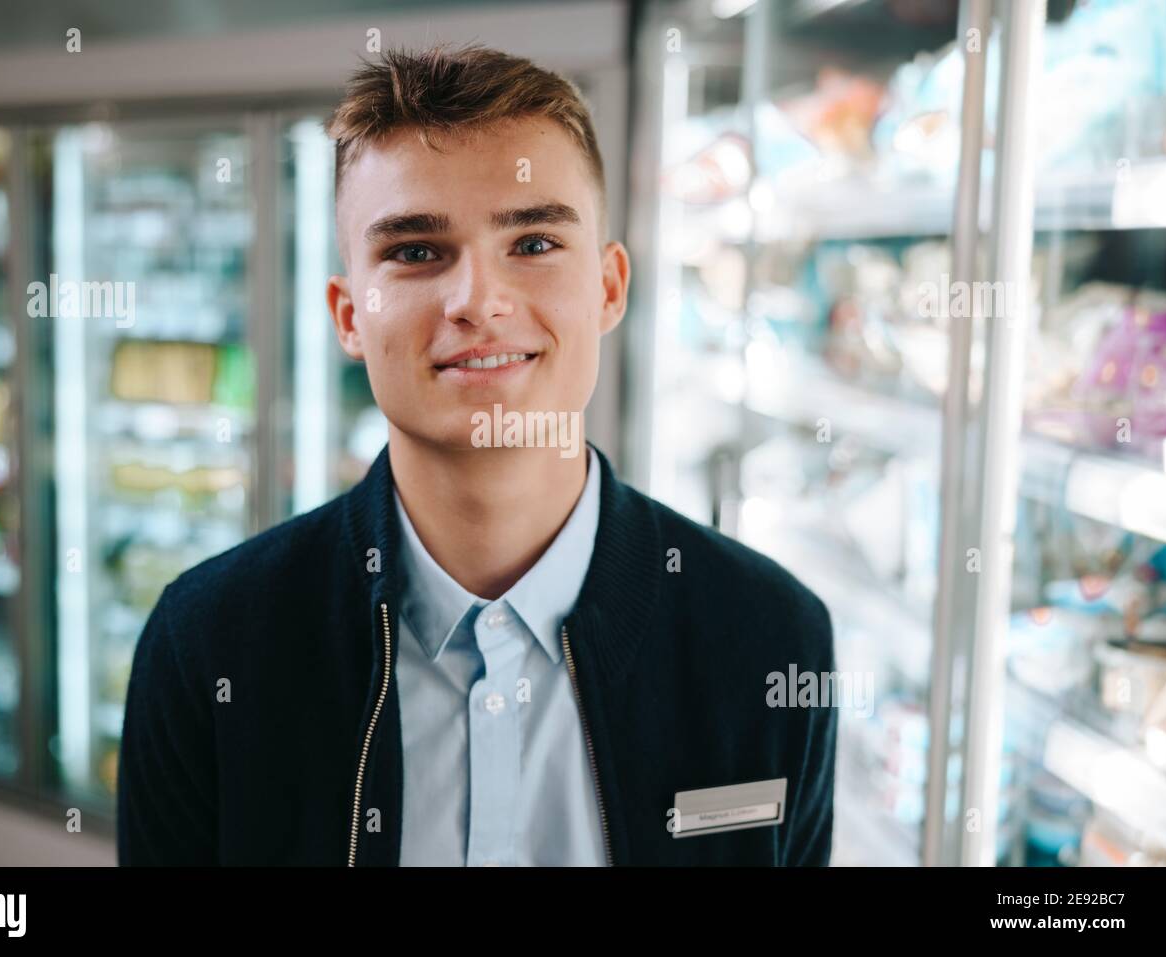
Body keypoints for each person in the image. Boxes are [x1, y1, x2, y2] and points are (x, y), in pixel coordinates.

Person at [117, 44, 837, 866]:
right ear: (350, 315)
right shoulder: (208, 644)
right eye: (417, 251)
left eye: (533, 243)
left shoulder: (772, 638)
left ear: (609, 288)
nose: (477, 303)